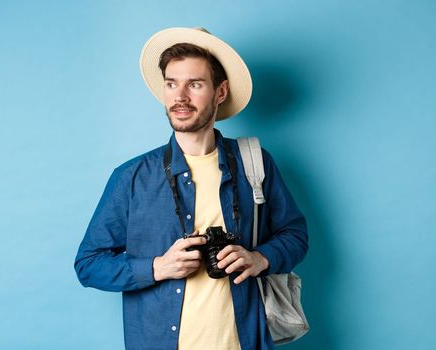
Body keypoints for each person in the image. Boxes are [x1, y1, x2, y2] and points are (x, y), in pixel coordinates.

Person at [73, 27, 308, 350]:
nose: (179, 96)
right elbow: (88, 265)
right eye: (172, 84)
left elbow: (295, 235)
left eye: (194, 84)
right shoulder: (131, 176)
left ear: (220, 92)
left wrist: (260, 258)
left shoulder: (255, 162)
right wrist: (156, 267)